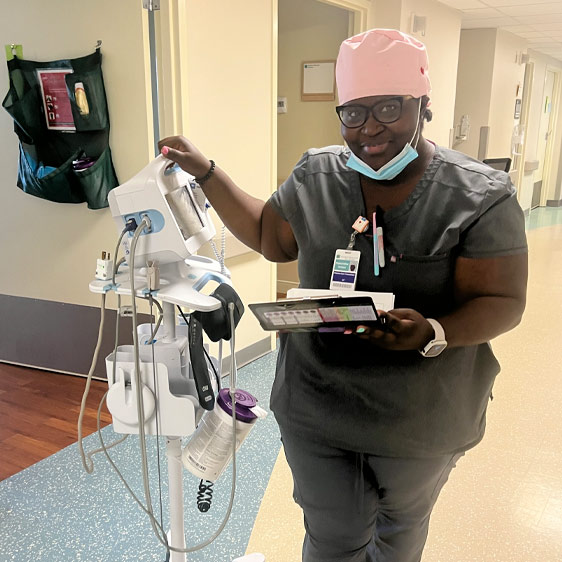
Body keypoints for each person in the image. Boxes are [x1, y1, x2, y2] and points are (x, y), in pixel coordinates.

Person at [159, 28, 528, 562]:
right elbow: (270, 235)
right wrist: (208, 173)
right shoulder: (317, 175)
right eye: (353, 112)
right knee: (332, 539)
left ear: (423, 105)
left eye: (388, 108)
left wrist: (434, 331)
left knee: (399, 536)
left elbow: (502, 301)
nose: (370, 128)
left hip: (420, 415)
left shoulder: (478, 196)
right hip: (318, 407)